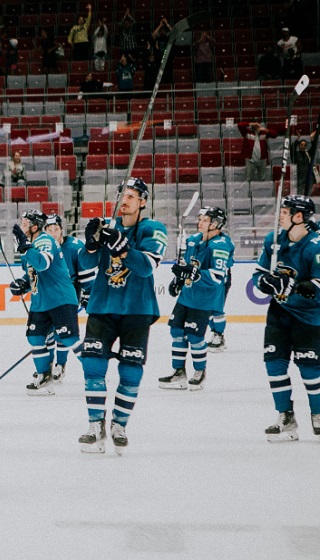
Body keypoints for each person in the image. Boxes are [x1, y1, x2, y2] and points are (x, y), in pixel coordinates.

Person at [76, 177, 167, 454]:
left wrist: (123, 246)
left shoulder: (153, 229)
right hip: (103, 306)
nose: (124, 201)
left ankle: (119, 425)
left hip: (137, 310)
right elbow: (86, 263)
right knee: (92, 366)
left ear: (143, 202)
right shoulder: (108, 227)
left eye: (131, 196)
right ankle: (95, 425)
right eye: (122, 196)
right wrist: (91, 244)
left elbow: (146, 266)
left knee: (130, 371)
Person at [251, 195, 320, 442]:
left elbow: (318, 285)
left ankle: (318, 414)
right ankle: (286, 417)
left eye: (285, 210)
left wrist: (294, 286)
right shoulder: (274, 240)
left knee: (309, 368)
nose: (280, 214)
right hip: (279, 313)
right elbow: (258, 275)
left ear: (299, 216)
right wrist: (266, 282)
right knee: (274, 364)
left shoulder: (317, 244)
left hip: (310, 315)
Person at [159, 206, 234, 392]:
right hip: (187, 295)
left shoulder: (221, 244)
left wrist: (194, 273)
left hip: (205, 298)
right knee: (176, 331)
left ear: (215, 224)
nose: (199, 222)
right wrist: (178, 279)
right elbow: (186, 265)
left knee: (194, 336)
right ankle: (178, 371)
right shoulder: (193, 241)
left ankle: (200, 372)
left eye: (205, 220)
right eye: (199, 219)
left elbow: (217, 276)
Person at [9, 210, 81, 396]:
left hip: (59, 298)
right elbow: (34, 273)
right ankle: (44, 376)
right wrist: (23, 283)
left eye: (25, 223)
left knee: (69, 339)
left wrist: (25, 247)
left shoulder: (44, 240)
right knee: (35, 337)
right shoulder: (32, 245)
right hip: (41, 301)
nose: (20, 225)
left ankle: (95, 370)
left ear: (34, 227)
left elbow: (42, 263)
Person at [43, 214, 90, 382]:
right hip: (48, 293)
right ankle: (46, 367)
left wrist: (87, 293)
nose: (53, 233)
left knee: (63, 332)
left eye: (56, 229)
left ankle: (60, 365)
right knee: (47, 332)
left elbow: (86, 273)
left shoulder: (75, 246)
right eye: (49, 230)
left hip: (69, 291)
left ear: (62, 229)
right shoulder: (43, 247)